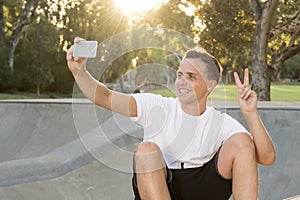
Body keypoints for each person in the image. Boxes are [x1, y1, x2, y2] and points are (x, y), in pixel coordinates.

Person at [66, 37, 276, 200]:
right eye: (179, 75)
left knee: (242, 142)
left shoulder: (220, 122)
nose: (181, 82)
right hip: (162, 187)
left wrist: (250, 113)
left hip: (203, 188)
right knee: (146, 150)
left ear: (210, 85)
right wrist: (80, 72)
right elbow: (106, 97)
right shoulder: (156, 107)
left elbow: (267, 158)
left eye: (191, 76)